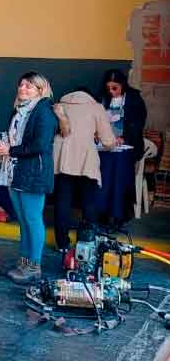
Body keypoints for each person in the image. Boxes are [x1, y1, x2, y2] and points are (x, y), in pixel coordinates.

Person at [0, 72, 58, 285]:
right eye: (21, 85)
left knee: (32, 219)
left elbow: (40, 145)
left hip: (34, 173)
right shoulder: (19, 111)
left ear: (40, 90)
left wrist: (10, 150)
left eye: (29, 86)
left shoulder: (44, 112)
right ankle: (23, 261)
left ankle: (34, 265)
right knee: (22, 220)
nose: (23, 89)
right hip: (16, 171)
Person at [52, 88, 117, 255]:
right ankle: (88, 243)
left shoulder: (59, 105)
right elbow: (109, 141)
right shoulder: (96, 107)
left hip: (61, 161)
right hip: (86, 161)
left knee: (62, 203)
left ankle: (62, 243)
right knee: (89, 203)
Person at [100, 69, 148, 162]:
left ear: (122, 84)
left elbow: (138, 124)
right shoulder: (104, 98)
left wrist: (124, 138)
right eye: (108, 88)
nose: (111, 91)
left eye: (114, 88)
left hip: (128, 144)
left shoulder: (134, 98)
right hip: (107, 143)